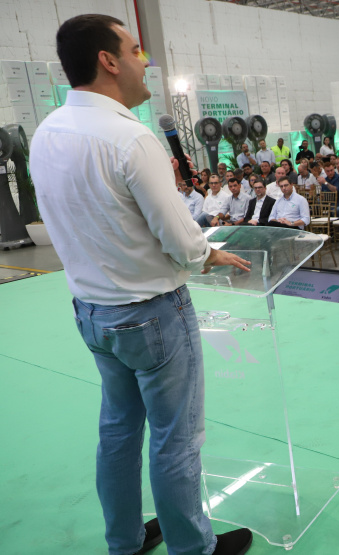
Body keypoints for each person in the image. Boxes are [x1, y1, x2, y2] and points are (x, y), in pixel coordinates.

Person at [31, 14, 253, 555]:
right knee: (177, 442)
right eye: (135, 48)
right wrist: (210, 253)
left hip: (92, 312)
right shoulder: (131, 138)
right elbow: (180, 238)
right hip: (152, 313)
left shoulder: (47, 131)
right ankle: (193, 548)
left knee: (119, 432)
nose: (144, 59)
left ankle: (124, 542)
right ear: (108, 61)